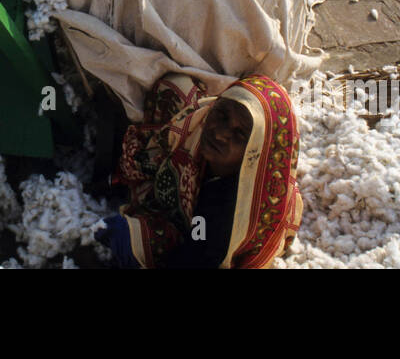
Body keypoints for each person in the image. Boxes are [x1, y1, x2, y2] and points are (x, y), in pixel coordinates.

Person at [95, 73, 302, 269]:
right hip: (199, 207)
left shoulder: (223, 214)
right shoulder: (206, 131)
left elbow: (195, 255)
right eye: (221, 115)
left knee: (124, 237)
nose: (220, 134)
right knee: (174, 88)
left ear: (256, 152)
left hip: (199, 232)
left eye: (239, 134)